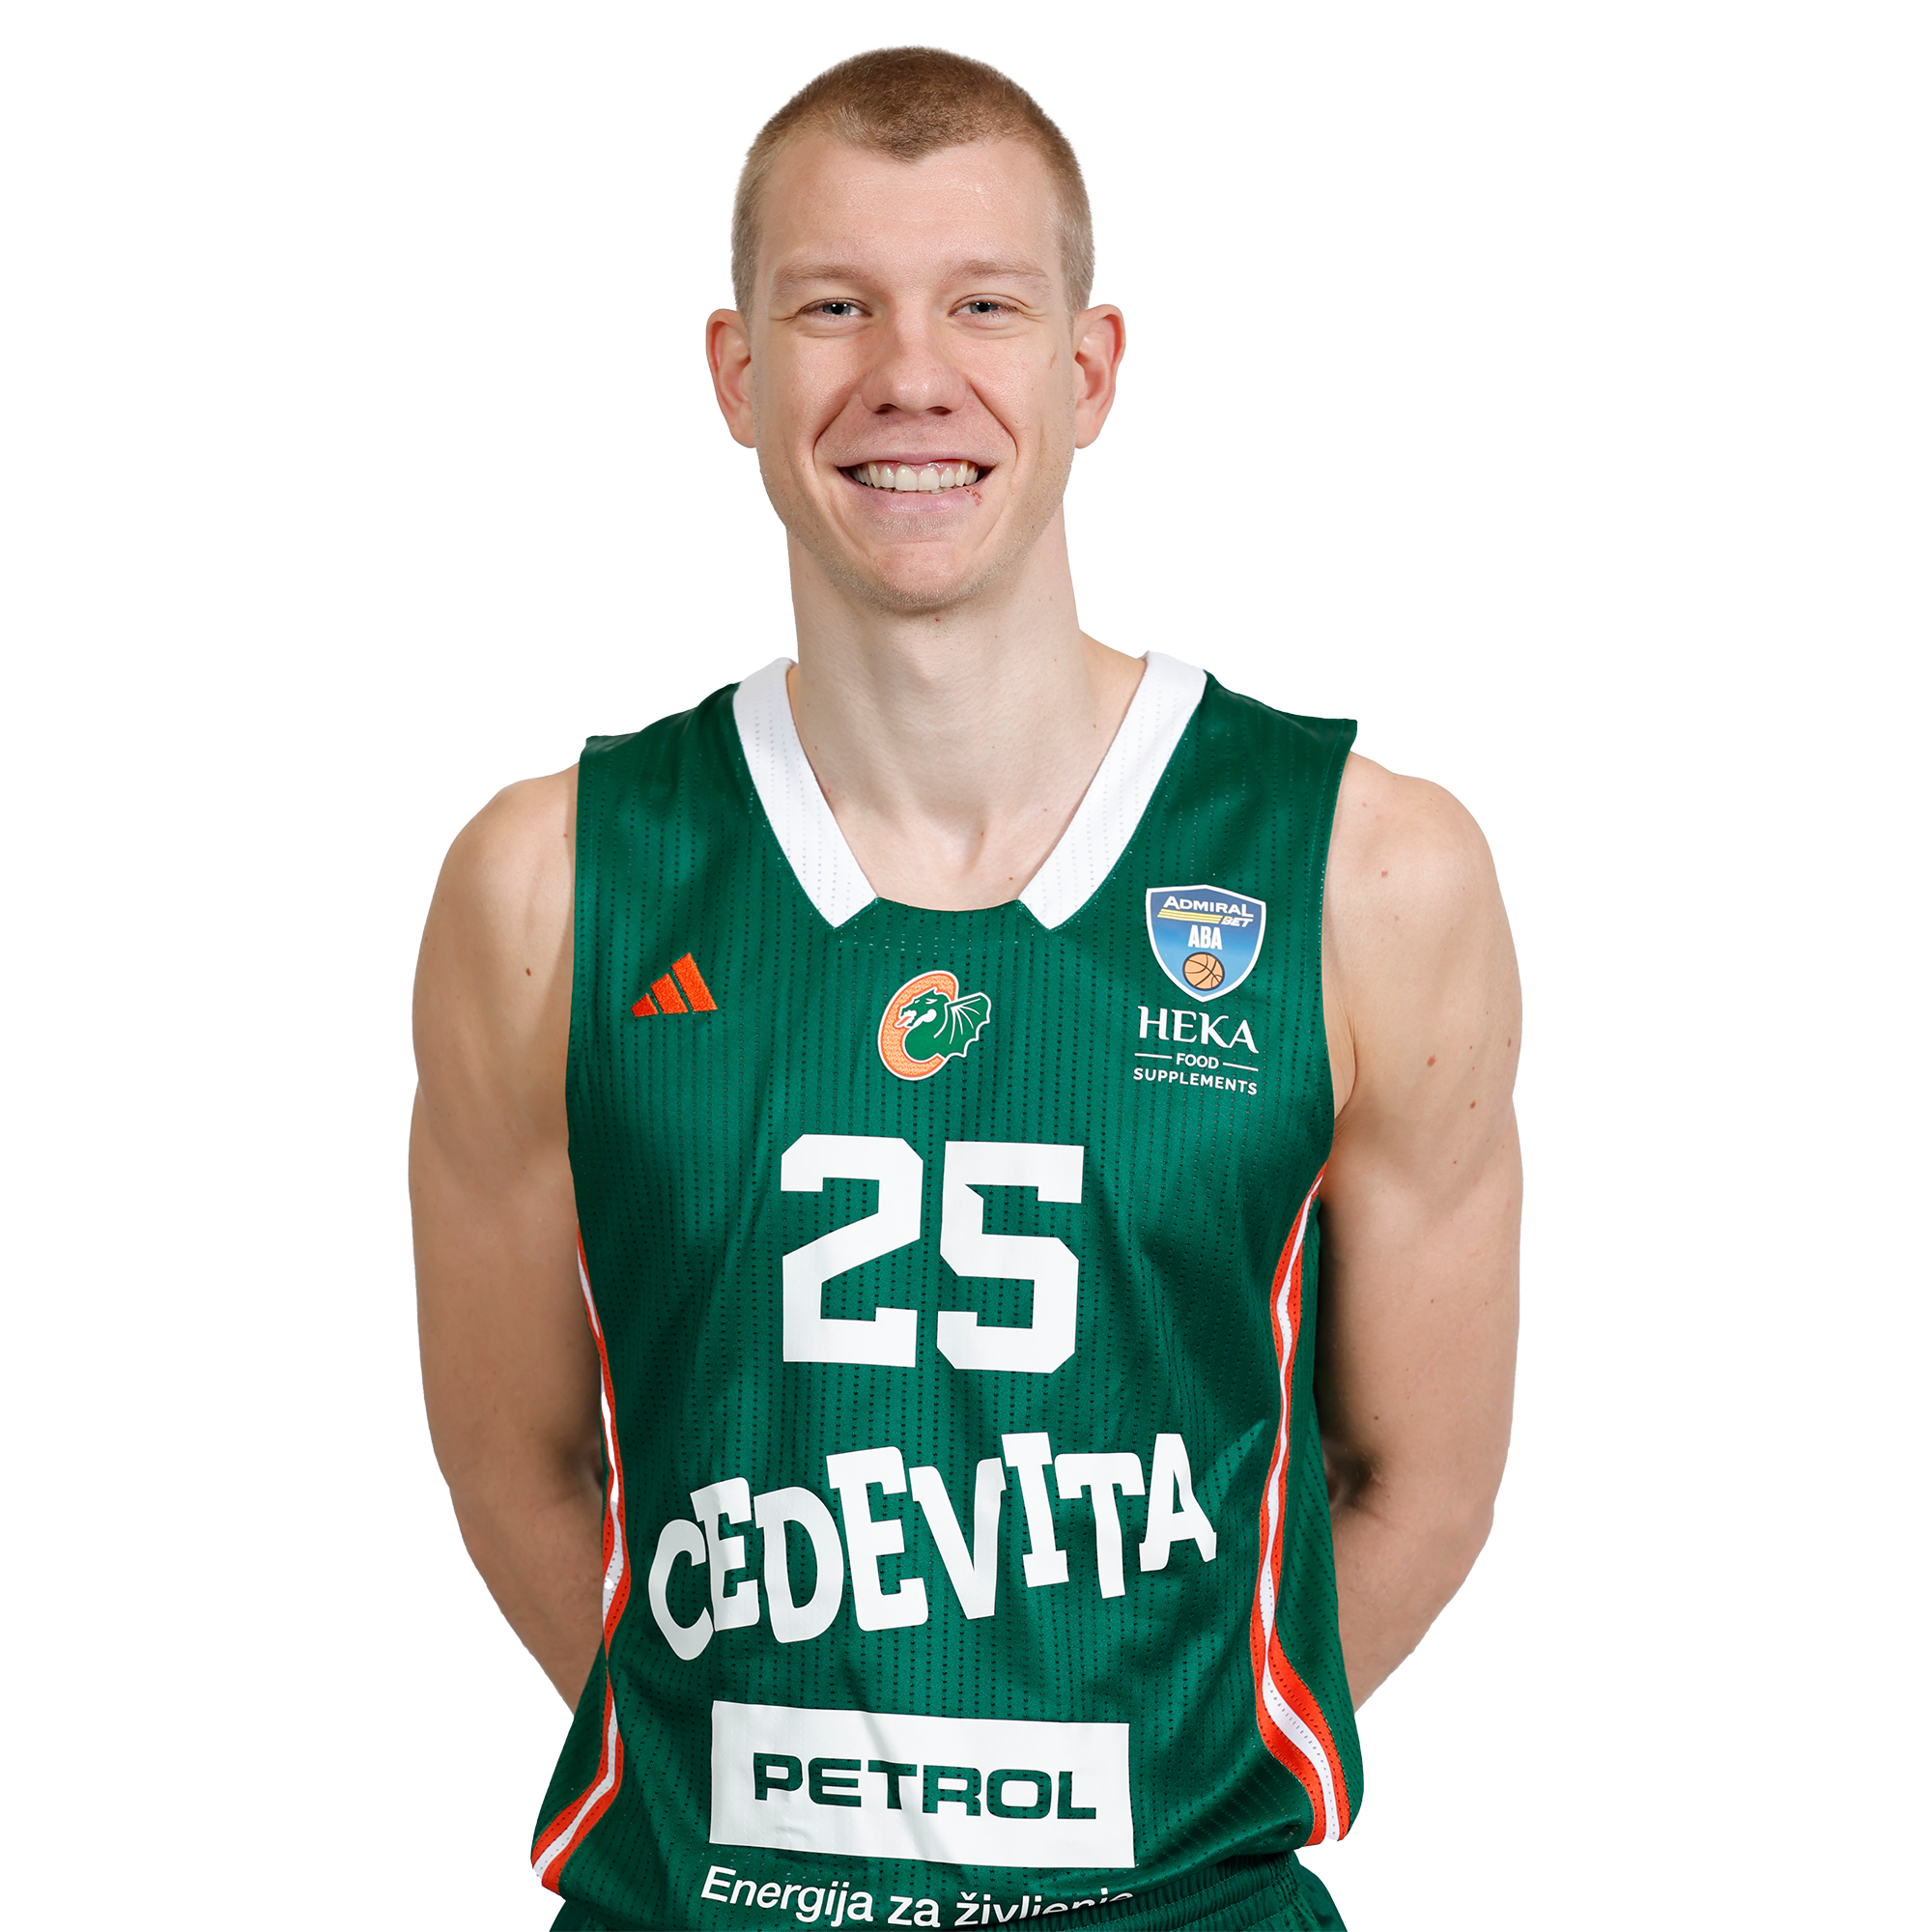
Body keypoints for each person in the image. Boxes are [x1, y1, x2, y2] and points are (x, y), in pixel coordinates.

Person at [412, 43, 1520, 1932]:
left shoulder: (1362, 872)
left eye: (983, 305)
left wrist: (1139, 1823)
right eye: (833, 306)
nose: (910, 375)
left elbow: (1409, 1477)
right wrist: (769, 1839)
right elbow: (519, 1463)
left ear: (1088, 370)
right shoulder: (552, 885)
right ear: (738, 373)